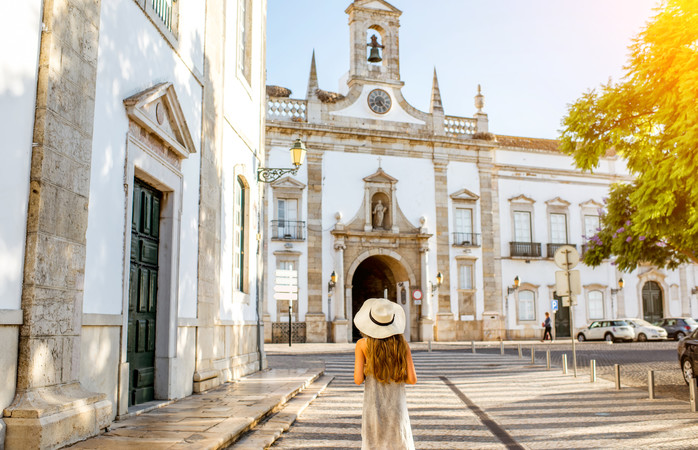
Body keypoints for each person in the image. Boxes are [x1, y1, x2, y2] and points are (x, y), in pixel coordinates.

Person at [354, 298, 417, 450]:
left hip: (373, 407)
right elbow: (412, 379)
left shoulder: (362, 345)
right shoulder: (402, 344)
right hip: (397, 408)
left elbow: (357, 379)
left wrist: (371, 368)